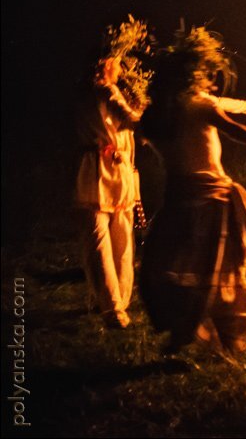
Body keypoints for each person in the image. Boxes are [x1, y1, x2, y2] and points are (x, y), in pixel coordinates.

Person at [138, 27, 246, 355]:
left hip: (183, 201)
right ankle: (203, 332)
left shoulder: (154, 115)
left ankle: (193, 331)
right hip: (209, 201)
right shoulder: (196, 106)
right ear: (194, 75)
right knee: (216, 273)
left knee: (169, 268)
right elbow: (236, 129)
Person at [75, 27, 146, 330]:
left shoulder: (84, 92)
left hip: (112, 168)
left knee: (113, 236)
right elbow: (132, 118)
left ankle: (117, 301)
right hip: (104, 170)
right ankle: (114, 306)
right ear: (105, 63)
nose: (121, 68)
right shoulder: (106, 89)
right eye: (116, 62)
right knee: (108, 237)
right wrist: (143, 104)